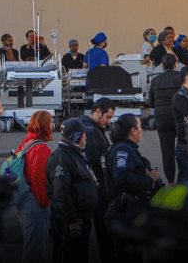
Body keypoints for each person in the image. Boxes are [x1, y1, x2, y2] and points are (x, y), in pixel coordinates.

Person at [105, 113, 164, 262]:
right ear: (133, 130)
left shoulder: (129, 148)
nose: (142, 130)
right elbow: (122, 179)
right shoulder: (123, 150)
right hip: (126, 212)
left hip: (132, 210)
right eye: (139, 126)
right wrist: (149, 178)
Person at [46, 118, 98, 263]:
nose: (86, 137)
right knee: (71, 256)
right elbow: (60, 192)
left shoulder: (74, 154)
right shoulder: (62, 157)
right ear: (76, 136)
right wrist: (72, 220)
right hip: (70, 223)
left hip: (80, 219)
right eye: (84, 134)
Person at [14, 111, 53, 263]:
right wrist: (45, 202)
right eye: (50, 122)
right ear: (45, 125)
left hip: (22, 197)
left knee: (30, 247)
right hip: (34, 202)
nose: (52, 124)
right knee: (36, 251)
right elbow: (38, 179)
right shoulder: (42, 148)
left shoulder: (25, 142)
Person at [80, 98, 116, 262]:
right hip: (98, 188)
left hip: (90, 188)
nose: (108, 122)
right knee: (104, 230)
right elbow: (94, 157)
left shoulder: (88, 126)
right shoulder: (91, 130)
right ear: (98, 112)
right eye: (107, 117)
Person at [148, 54, 182, 183]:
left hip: (162, 117)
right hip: (179, 116)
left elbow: (151, 101)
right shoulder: (180, 78)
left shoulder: (155, 80)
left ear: (162, 65)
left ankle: (171, 182)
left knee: (167, 151)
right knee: (183, 147)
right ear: (176, 64)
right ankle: (184, 179)